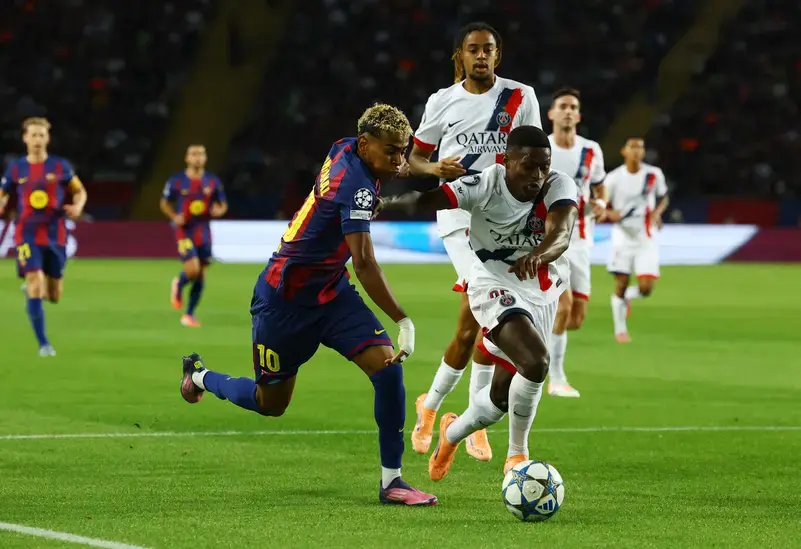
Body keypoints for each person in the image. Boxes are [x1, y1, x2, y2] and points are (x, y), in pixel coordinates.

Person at [178, 104, 437, 506]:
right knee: (270, 404)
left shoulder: (344, 147)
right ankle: (200, 377)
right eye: (391, 151)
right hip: (283, 302)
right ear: (366, 145)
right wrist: (403, 320)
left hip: (332, 293)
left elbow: (387, 173)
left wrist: (423, 169)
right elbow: (364, 263)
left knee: (388, 371)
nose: (398, 159)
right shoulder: (357, 186)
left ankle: (393, 482)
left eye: (402, 151)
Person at [380, 125, 577, 479]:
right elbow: (425, 201)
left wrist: (538, 255)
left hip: (542, 291)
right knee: (536, 362)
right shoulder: (485, 184)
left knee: (500, 399)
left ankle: (451, 434)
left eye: (543, 167)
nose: (537, 176)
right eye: (528, 166)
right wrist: (381, 205)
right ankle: (517, 456)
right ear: (506, 161)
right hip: (492, 283)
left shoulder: (558, 185)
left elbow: (561, 234)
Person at [408, 21, 542, 462]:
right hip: (459, 218)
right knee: (488, 315)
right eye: (473, 49)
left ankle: (431, 406)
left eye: (488, 49)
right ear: (460, 55)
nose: (481, 56)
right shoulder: (442, 101)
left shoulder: (520, 97)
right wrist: (434, 169)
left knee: (472, 326)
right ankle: (467, 421)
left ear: (497, 55)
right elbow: (415, 158)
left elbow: (535, 156)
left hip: (505, 220)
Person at [0, 117, 87, 356]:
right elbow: (3, 193)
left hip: (55, 233)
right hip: (26, 233)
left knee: (54, 295)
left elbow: (79, 191)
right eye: (33, 135)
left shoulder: (60, 167)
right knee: (35, 281)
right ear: (25, 138)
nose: (37, 139)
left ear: (47, 138)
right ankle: (44, 344)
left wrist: (78, 206)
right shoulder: (16, 168)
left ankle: (34, 291)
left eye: (41, 135)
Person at [546, 87, 607, 397]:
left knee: (576, 318)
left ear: (579, 116)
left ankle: (528, 333)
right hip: (548, 238)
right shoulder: (541, 148)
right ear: (552, 114)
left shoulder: (591, 150)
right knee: (563, 306)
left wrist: (602, 203)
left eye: (573, 107)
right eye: (563, 106)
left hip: (582, 239)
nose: (568, 111)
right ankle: (555, 379)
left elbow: (599, 186)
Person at [604, 138, 669, 342]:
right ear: (624, 151)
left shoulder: (653, 174)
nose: (636, 151)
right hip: (622, 237)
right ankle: (620, 330)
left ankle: (627, 298)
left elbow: (663, 197)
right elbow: (602, 204)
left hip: (645, 237)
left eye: (640, 147)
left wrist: (657, 213)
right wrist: (610, 214)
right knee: (621, 282)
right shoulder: (613, 178)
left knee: (646, 288)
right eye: (632, 147)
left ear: (643, 152)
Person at [160, 145, 228, 327]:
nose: (197, 157)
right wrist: (174, 216)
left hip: (203, 231)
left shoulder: (212, 182)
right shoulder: (177, 181)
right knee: (193, 269)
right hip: (185, 230)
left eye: (201, 154)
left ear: (205, 158)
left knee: (201, 274)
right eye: (193, 154)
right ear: (187, 158)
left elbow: (222, 204)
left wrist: (219, 210)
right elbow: (164, 202)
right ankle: (179, 282)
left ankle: (189, 314)